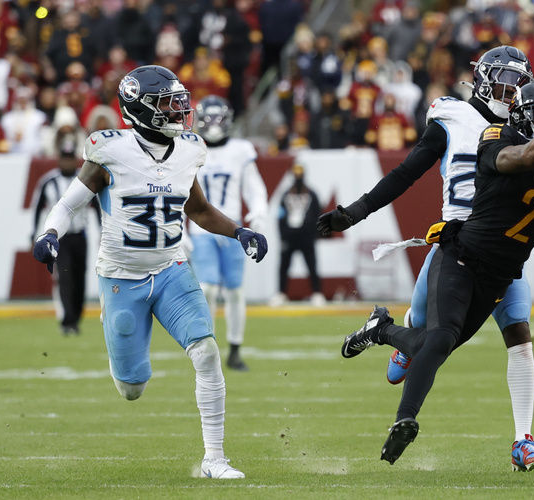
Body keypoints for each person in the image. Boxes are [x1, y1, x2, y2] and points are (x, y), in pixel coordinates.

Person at [331, 74, 534, 468]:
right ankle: (385, 331)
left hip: (503, 272)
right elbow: (525, 160)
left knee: (513, 333)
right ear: (522, 116)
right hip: (460, 253)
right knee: (430, 341)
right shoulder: (496, 139)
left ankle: (523, 440)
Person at [32, 65, 268, 479]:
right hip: (121, 277)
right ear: (141, 109)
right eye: (168, 103)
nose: (180, 109)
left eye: (180, 100)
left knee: (207, 352)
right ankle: (120, 342)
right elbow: (70, 204)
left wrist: (239, 231)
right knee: (132, 388)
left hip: (172, 267)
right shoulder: (111, 151)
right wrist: (50, 232)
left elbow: (197, 209)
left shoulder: (190, 150)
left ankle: (214, 459)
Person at [190, 95, 268, 371]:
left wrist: (257, 215)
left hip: (232, 230)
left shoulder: (240, 149)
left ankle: (235, 349)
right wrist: (180, 230)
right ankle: (207, 346)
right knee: (208, 288)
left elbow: (255, 188)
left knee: (235, 291)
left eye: (217, 119)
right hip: (201, 230)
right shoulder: (190, 147)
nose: (212, 125)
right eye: (207, 119)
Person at [31, 134, 100, 334]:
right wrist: (34, 233)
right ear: (59, 158)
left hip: (81, 235)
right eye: (65, 157)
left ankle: (75, 318)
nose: (68, 161)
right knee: (66, 276)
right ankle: (67, 320)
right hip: (59, 238)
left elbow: (97, 207)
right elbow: (37, 208)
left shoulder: (84, 178)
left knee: (80, 277)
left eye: (71, 157)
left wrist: (103, 232)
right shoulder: (48, 181)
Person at [272, 164, 324, 306]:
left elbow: (318, 214)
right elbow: (280, 216)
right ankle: (281, 293)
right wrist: (283, 235)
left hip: (306, 236)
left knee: (312, 265)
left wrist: (314, 233)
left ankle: (317, 293)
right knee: (284, 266)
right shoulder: (286, 194)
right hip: (289, 236)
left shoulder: (312, 194)